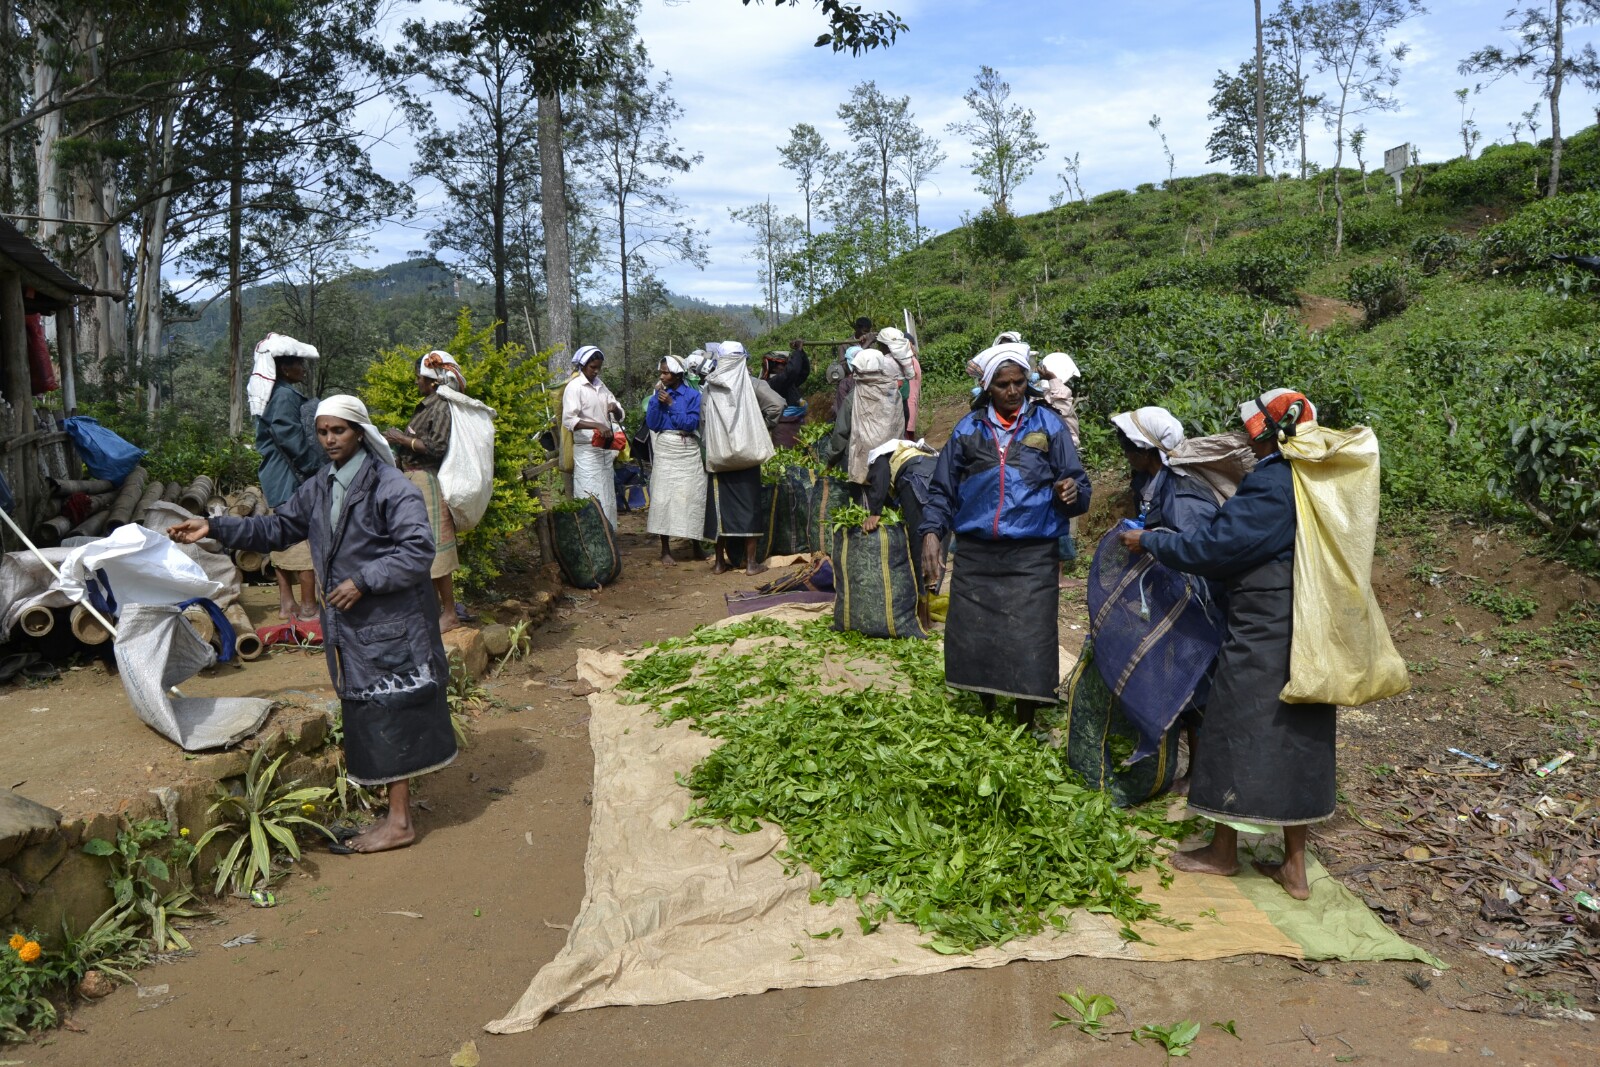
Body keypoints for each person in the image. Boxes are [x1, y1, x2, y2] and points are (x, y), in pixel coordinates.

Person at [169, 396, 457, 854]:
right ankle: (394, 812)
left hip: (390, 619)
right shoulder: (320, 486)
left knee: (390, 708)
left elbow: (417, 551)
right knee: (368, 709)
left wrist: (363, 580)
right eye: (322, 432)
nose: (329, 440)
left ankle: (399, 821)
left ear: (360, 433)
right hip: (354, 624)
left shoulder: (390, 487)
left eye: (338, 431)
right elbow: (278, 529)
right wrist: (214, 526)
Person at [1117, 389, 1330, 900]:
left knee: (1231, 723)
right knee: (1299, 727)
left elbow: (1213, 548)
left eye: (1250, 430)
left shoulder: (1273, 482)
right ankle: (1295, 866)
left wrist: (1150, 541)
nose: (1245, 439)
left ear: (1266, 433)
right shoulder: (1314, 478)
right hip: (1308, 616)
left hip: (1264, 619)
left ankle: (1222, 851)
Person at [919, 344, 1091, 728]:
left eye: (1018, 383)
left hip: (1031, 554)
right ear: (988, 388)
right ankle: (986, 712)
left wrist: (1071, 492)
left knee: (1028, 640)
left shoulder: (1047, 425)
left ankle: (1026, 719)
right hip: (978, 554)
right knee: (976, 638)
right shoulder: (968, 430)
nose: (1013, 391)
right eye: (1003, 385)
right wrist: (932, 532)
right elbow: (942, 491)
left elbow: (1078, 482)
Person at [1112, 405, 1220, 796]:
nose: (1124, 451)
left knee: (1197, 686)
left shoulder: (1183, 491)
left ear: (1147, 450)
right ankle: (1183, 766)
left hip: (1195, 603)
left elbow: (1195, 548)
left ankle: (1200, 773)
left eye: (1128, 445)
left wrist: (1149, 541)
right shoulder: (1153, 483)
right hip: (1172, 597)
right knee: (1184, 684)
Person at [383, 351, 464, 633]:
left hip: (428, 482)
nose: (416, 382)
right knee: (423, 548)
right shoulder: (428, 405)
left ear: (431, 381)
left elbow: (437, 447)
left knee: (437, 549)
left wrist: (400, 439)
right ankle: (432, 609)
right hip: (415, 482)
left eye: (420, 377)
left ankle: (450, 613)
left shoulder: (440, 407)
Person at [246, 336, 321, 621]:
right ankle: (308, 606)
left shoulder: (269, 393)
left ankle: (287, 603)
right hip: (291, 479)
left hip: (276, 477)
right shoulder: (285, 395)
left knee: (282, 536)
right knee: (303, 538)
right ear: (285, 368)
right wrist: (314, 467)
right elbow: (289, 437)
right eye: (298, 363)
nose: (302, 367)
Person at [700, 341, 771, 576]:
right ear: (742, 359)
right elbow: (777, 405)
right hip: (747, 456)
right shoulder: (751, 384)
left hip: (720, 459)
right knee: (750, 509)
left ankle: (720, 562)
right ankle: (751, 563)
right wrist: (761, 427)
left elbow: (703, 420)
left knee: (720, 509)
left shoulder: (710, 386)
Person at [645, 355, 708, 566]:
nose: (662, 376)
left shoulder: (692, 395)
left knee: (692, 496)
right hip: (666, 448)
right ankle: (665, 550)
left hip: (688, 449)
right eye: (661, 372)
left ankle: (696, 545)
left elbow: (690, 424)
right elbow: (653, 423)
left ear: (677, 374)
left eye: (666, 372)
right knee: (664, 498)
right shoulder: (659, 395)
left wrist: (671, 404)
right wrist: (656, 400)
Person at [562, 345, 626, 530]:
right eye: (592, 367)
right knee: (588, 493)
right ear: (582, 365)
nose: (596, 371)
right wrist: (596, 424)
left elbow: (620, 414)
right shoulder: (575, 387)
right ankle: (590, 537)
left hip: (605, 448)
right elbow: (569, 420)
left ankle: (609, 536)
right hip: (587, 451)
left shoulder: (601, 386)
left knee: (607, 496)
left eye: (599, 367)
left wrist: (615, 409)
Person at [843, 346, 903, 493]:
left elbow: (842, 429)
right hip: (891, 450)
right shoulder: (892, 388)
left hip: (866, 454)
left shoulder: (855, 394)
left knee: (867, 491)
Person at [762, 342, 811, 447]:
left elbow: (803, 372)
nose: (785, 366)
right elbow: (792, 371)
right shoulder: (774, 382)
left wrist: (801, 353)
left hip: (797, 423)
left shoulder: (787, 382)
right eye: (783, 364)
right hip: (784, 427)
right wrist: (797, 351)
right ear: (774, 367)